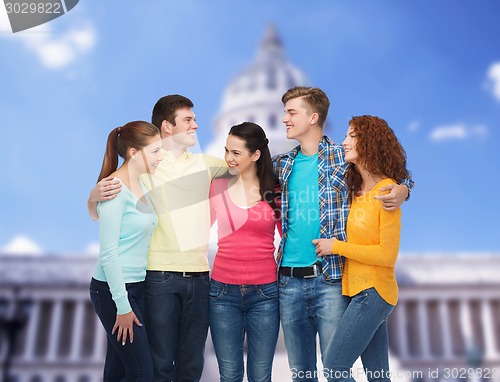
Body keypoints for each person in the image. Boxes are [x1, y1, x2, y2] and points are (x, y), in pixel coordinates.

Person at [272, 87, 414, 382]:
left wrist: (403, 190)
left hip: (330, 279)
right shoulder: (281, 164)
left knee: (335, 369)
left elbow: (391, 175)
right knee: (303, 374)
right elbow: (241, 164)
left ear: (313, 117)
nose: (284, 118)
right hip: (287, 281)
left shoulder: (342, 157)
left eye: (291, 112)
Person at [88, 95, 228, 382]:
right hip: (156, 277)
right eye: (188, 120)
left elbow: (250, 168)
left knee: (188, 366)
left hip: (198, 275)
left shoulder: (207, 164)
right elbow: (105, 213)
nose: (196, 126)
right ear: (167, 126)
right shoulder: (146, 166)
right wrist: (92, 198)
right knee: (154, 366)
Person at [312, 115, 410, 382]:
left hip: (374, 293)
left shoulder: (385, 191)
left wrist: (337, 247)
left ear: (369, 141)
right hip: (360, 293)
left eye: (351, 136)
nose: (344, 142)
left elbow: (386, 255)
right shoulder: (356, 187)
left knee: (334, 368)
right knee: (378, 376)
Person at [89, 121, 162, 382]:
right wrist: (122, 306)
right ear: (133, 153)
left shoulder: (143, 185)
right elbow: (108, 253)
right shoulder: (114, 189)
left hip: (136, 286)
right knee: (141, 372)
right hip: (112, 291)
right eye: (155, 151)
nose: (160, 157)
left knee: (118, 369)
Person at [209, 122, 281, 382]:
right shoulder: (217, 187)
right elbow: (195, 231)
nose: (229, 158)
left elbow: (289, 239)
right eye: (226, 150)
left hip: (265, 294)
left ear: (255, 155)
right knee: (229, 375)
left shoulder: (275, 191)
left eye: (236, 153)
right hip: (221, 294)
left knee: (261, 375)